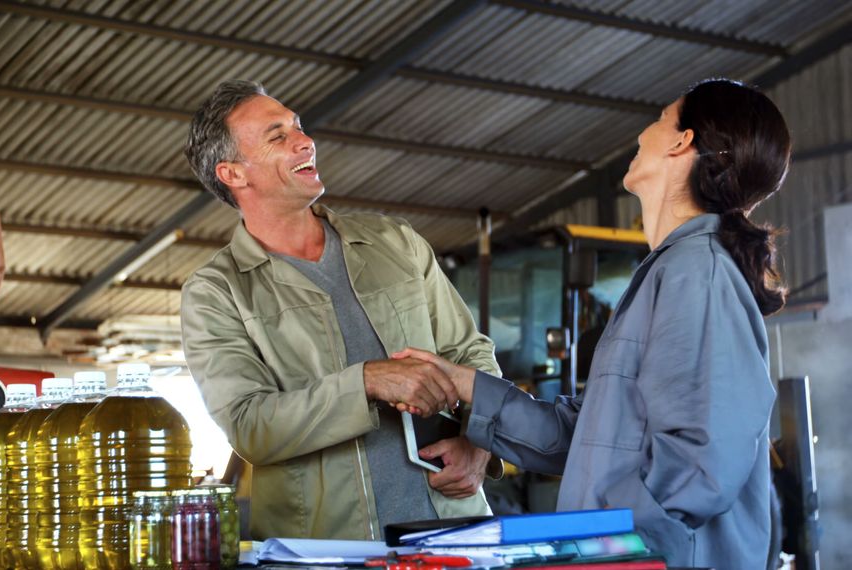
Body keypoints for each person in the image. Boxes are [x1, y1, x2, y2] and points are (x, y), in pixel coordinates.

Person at [395, 79, 789, 569]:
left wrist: (609, 547)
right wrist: (469, 386)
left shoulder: (697, 274)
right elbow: (588, 437)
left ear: (680, 141)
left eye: (659, 118)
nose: (642, 133)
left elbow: (699, 463)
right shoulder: (669, 272)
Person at [180, 80, 500, 540]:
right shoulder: (216, 292)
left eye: (299, 127)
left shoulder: (396, 243)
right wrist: (367, 380)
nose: (305, 141)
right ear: (233, 174)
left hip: (456, 532)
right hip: (326, 549)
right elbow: (250, 426)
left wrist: (479, 443)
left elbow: (471, 353)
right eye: (278, 136)